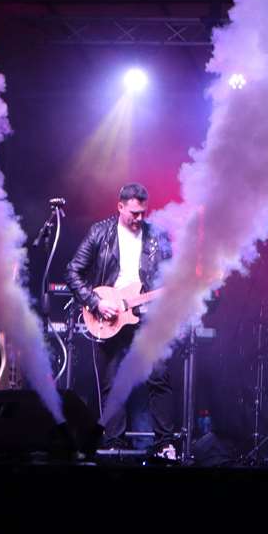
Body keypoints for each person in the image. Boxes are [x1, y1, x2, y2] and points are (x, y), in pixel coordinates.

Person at [66, 182, 172, 440]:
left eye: (143, 213)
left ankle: (166, 444)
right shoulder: (100, 233)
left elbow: (169, 276)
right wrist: (95, 302)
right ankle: (114, 446)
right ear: (120, 206)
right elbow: (72, 271)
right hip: (109, 316)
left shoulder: (156, 236)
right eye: (133, 213)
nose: (139, 218)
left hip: (146, 316)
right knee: (112, 384)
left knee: (159, 378)